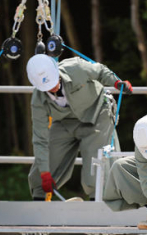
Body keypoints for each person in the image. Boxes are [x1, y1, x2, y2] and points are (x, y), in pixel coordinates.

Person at [26, 54, 132, 200]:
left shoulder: (76, 67)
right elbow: (40, 138)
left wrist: (116, 82)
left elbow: (100, 71)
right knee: (45, 163)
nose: (54, 87)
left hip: (96, 113)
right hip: (64, 121)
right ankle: (39, 202)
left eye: (55, 82)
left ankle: (99, 202)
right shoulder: (38, 100)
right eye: (48, 87)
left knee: (96, 164)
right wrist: (44, 173)